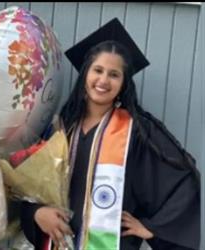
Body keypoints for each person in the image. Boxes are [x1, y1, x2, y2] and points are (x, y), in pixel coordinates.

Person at [20, 18, 200, 250]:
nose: (104, 80)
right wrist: (36, 213)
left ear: (124, 83)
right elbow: (28, 189)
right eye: (98, 70)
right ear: (85, 73)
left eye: (114, 74)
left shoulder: (136, 131)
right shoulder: (60, 128)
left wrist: (152, 229)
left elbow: (184, 179)